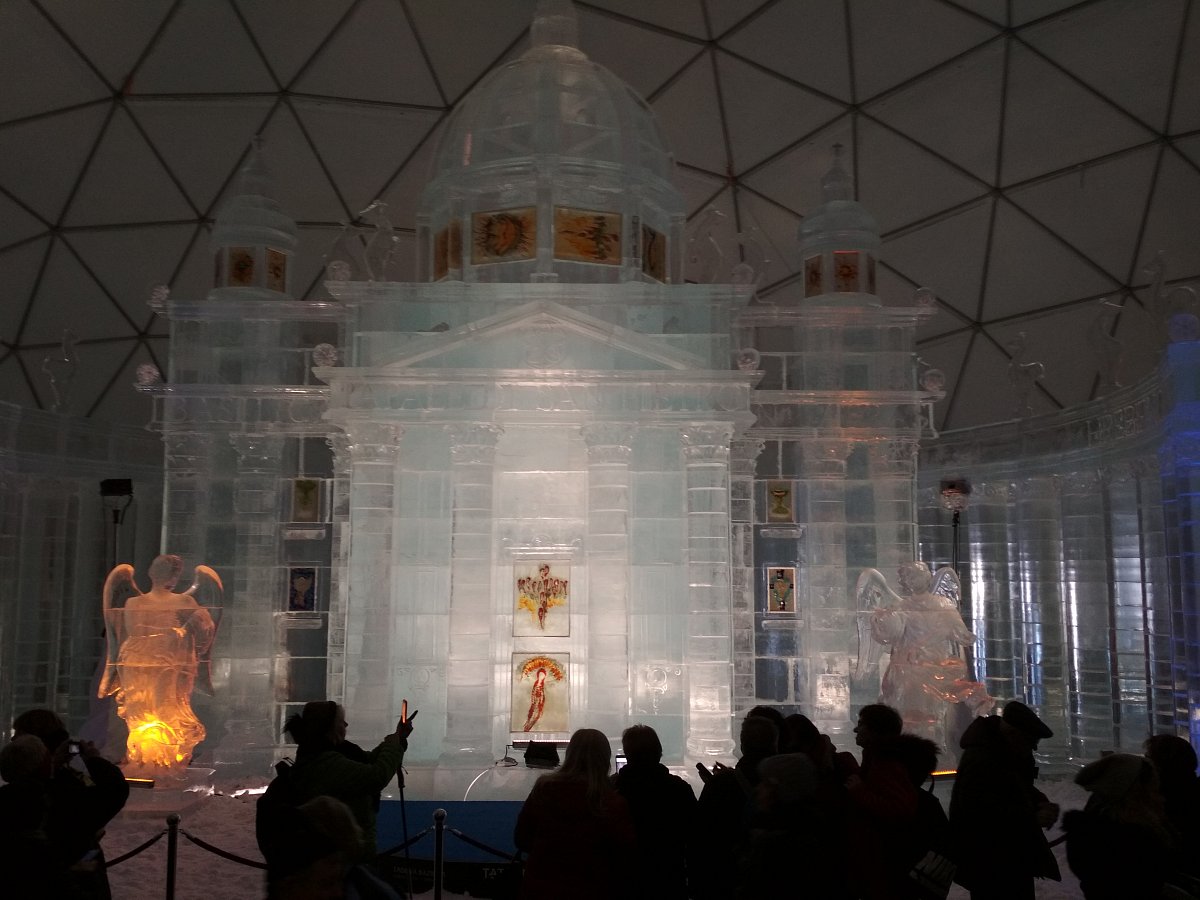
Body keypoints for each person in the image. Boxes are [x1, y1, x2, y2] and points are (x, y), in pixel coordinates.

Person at [99, 553, 220, 773]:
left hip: (148, 663)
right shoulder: (181, 602)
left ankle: (158, 761)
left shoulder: (135, 602)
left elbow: (130, 634)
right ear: (173, 577)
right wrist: (178, 633)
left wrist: (184, 632)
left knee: (155, 712)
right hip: (154, 664)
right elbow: (205, 632)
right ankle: (151, 761)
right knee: (155, 711)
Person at [857, 562, 993, 751]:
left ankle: (932, 748)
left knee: (932, 711)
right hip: (908, 669)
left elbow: (961, 634)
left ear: (927, 577)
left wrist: (961, 634)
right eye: (908, 578)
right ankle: (913, 748)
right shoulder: (901, 606)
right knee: (910, 712)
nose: (912, 581)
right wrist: (881, 620)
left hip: (934, 668)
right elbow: (889, 635)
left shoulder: (943, 604)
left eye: (915, 576)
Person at [8, 708, 130, 900]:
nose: (13, 740)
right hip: (74, 882)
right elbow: (114, 791)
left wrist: (53, 766)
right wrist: (93, 759)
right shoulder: (65, 789)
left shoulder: (14, 795)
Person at [273, 701, 413, 861]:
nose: (346, 725)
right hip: (344, 858)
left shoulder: (329, 752)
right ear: (329, 728)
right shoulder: (327, 764)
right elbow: (377, 776)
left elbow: (369, 760)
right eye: (341, 721)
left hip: (342, 854)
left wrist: (397, 737)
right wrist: (393, 745)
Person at [949, 702, 1060, 900]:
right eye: (1030, 742)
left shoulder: (1001, 753)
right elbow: (980, 814)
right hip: (991, 863)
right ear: (1012, 734)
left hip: (1007, 858)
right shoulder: (982, 761)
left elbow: (1014, 788)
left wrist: (1038, 801)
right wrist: (1031, 816)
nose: (1032, 748)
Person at [514, 728, 634, 900]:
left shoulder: (544, 790)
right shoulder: (610, 802)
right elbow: (624, 853)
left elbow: (522, 838)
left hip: (541, 889)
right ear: (604, 758)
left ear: (570, 754)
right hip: (592, 890)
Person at [1062, 752, 1175, 900]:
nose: (1159, 797)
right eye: (1153, 789)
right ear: (1136, 792)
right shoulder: (1128, 841)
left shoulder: (1095, 832)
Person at [692, 715, 778, 900]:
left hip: (727, 876)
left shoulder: (721, 784)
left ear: (742, 745)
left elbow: (701, 836)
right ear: (774, 744)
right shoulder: (784, 783)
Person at [611, 724, 695, 900]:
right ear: (659, 752)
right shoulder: (678, 789)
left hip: (623, 881)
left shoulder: (612, 790)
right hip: (669, 879)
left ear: (627, 754)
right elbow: (696, 837)